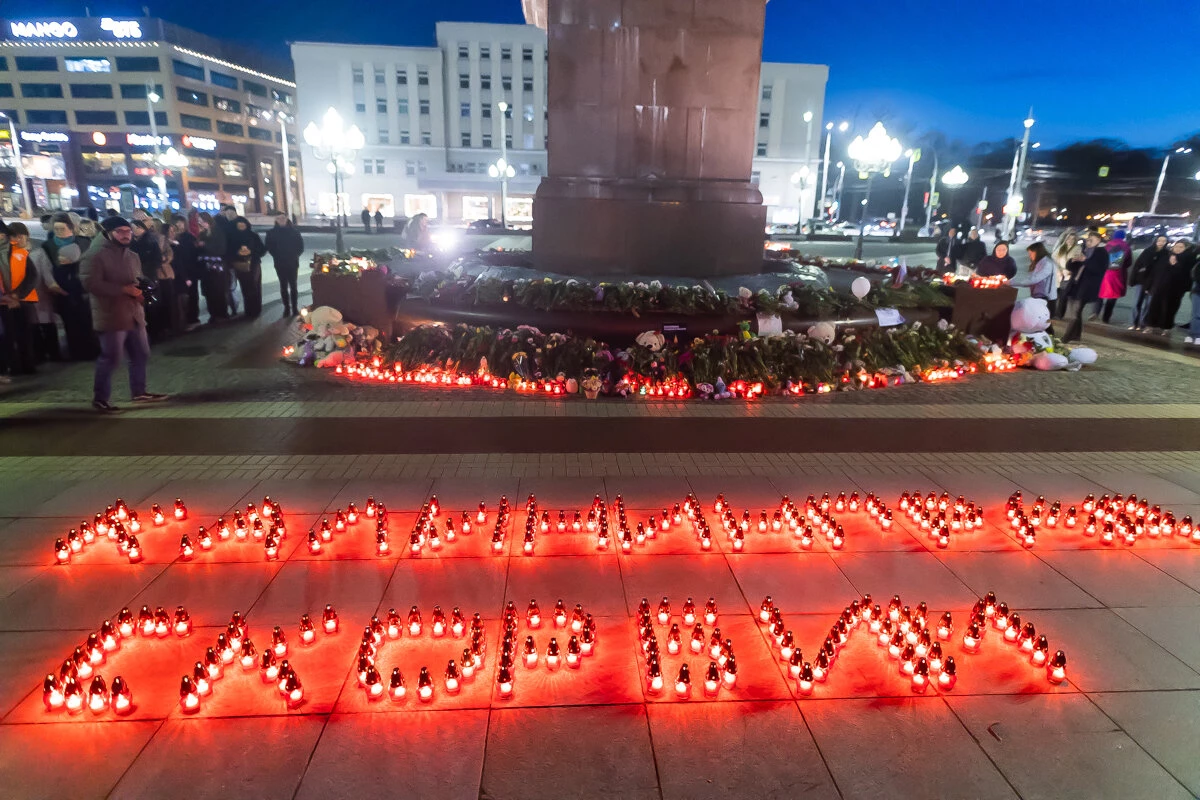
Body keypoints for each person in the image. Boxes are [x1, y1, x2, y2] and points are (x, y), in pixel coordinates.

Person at [81, 216, 168, 412]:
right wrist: (124, 290)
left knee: (141, 353)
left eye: (128, 231)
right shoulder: (94, 255)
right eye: (120, 232)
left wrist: (142, 290)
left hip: (134, 313)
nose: (125, 235)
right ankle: (100, 398)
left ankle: (139, 391)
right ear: (108, 232)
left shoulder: (131, 255)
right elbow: (91, 284)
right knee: (111, 357)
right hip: (111, 314)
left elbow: (136, 279)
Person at [0, 221, 39, 376]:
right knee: (8, 336)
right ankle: (13, 366)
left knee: (25, 333)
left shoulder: (20, 252)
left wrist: (18, 294)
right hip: (3, 302)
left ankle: (28, 365)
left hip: (23, 299)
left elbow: (32, 275)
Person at [1062, 230, 1111, 343]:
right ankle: (1076, 335)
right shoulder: (1084, 250)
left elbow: (1099, 270)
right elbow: (1072, 268)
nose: (1088, 242)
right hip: (1075, 284)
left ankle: (1067, 336)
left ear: (1098, 241)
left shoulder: (1102, 253)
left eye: (1091, 240)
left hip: (1087, 287)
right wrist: (1072, 261)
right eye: (1087, 240)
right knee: (1076, 312)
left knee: (1075, 313)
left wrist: (1085, 261)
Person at [1145, 240, 1195, 336]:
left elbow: (1185, 276)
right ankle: (1150, 326)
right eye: (1177, 246)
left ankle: (1166, 327)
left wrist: (1175, 265)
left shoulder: (1187, 260)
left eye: (1181, 247)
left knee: (1169, 309)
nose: (1178, 249)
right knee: (1154, 307)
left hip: (1174, 291)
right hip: (1159, 288)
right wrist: (1149, 286)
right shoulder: (1165, 257)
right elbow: (1154, 273)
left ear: (1185, 249)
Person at [265, 213, 304, 318]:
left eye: (283, 218)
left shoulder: (294, 232)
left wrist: (294, 255)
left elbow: (300, 246)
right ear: (276, 220)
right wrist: (277, 255)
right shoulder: (271, 233)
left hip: (292, 262)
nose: (281, 220)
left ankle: (295, 307)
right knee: (283, 285)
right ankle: (286, 308)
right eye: (279, 218)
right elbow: (269, 246)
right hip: (279, 262)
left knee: (293, 285)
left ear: (287, 219)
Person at [227, 216, 265, 319]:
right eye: (239, 225)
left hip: (254, 265)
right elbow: (228, 252)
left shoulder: (253, 236)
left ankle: (256, 310)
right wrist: (238, 253)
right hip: (240, 266)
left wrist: (251, 252)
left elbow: (262, 249)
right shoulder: (232, 237)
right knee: (246, 288)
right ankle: (249, 311)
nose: (241, 227)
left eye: (243, 225)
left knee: (255, 287)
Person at [1129, 235, 1168, 331]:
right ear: (1155, 241)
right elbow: (1137, 266)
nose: (1161, 242)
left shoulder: (1166, 254)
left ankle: (1143, 323)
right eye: (1159, 240)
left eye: (1164, 241)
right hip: (1142, 281)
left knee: (1149, 304)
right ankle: (1134, 323)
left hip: (1155, 283)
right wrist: (1133, 279)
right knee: (1137, 302)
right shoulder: (1148, 251)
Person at [170, 215, 203, 330]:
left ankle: (193, 319)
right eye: (176, 223)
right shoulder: (172, 239)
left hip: (190, 271)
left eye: (181, 223)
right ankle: (182, 320)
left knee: (192, 295)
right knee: (180, 297)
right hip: (178, 272)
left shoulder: (189, 237)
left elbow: (195, 254)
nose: (179, 225)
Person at [1098, 229, 1132, 323]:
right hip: (1118, 275)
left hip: (1105, 273)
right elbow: (1129, 262)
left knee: (1100, 293)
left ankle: (1095, 313)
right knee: (1112, 297)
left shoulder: (1107, 245)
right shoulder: (1126, 246)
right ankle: (1106, 317)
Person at [1052, 230, 1084, 319]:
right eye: (1069, 238)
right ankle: (1052, 312)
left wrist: (1069, 270)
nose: (1070, 240)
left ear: (1075, 240)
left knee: (1063, 295)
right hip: (1059, 274)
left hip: (1069, 275)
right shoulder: (1062, 247)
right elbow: (1054, 259)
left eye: (1072, 239)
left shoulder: (1077, 249)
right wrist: (1059, 269)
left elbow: (1076, 262)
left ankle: (1059, 314)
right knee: (1056, 294)